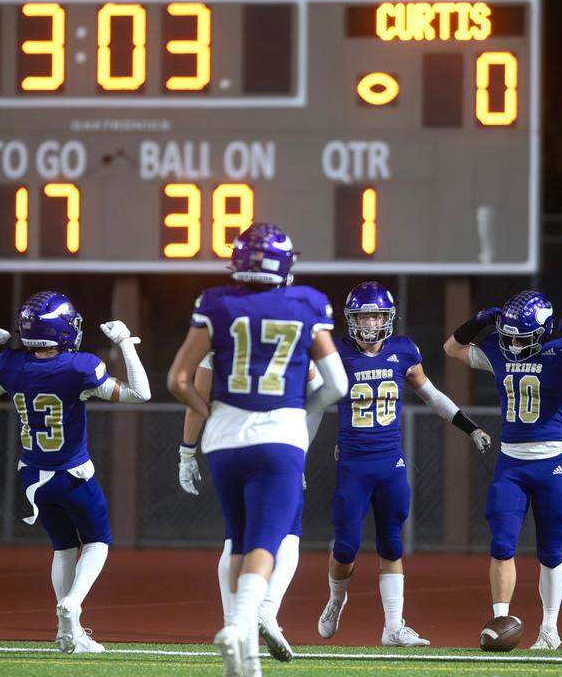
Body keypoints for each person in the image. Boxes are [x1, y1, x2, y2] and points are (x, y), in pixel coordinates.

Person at [167, 223, 348, 677]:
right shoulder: (307, 303)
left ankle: (244, 658)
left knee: (238, 539)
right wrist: (297, 408)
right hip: (280, 435)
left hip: (225, 439)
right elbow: (337, 385)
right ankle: (240, 623)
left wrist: (208, 418)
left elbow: (178, 382)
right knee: (269, 541)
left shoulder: (217, 303)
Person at [0, 290, 150, 653]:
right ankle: (73, 604)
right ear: (63, 329)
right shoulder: (79, 368)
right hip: (73, 475)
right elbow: (140, 393)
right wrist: (126, 342)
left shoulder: (9, 365)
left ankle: (70, 633)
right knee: (98, 541)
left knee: (63, 548)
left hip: (33, 478)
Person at [443, 289, 562, 650]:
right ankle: (500, 617)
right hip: (511, 463)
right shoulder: (497, 350)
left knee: (551, 552)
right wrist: (478, 321)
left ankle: (550, 629)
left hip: (551, 462)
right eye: (506, 334)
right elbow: (451, 349)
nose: (510, 342)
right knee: (501, 543)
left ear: (541, 332)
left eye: (519, 336)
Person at [318, 281, 493, 647]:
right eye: (363, 316)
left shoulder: (402, 350)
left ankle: (394, 627)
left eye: (376, 316)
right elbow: (315, 404)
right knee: (346, 547)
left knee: (391, 544)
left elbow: (432, 395)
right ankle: (336, 600)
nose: (369, 324)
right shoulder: (336, 353)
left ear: (387, 318)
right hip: (354, 464)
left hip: (390, 463)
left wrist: (468, 426)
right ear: (352, 320)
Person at [178, 347, 325, 663]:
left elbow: (189, 393)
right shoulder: (291, 335)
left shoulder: (219, 333)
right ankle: (266, 609)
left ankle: (236, 623)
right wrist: (299, 441)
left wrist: (186, 452)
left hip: (228, 447)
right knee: (286, 533)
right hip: (277, 444)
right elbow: (327, 390)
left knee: (236, 538)